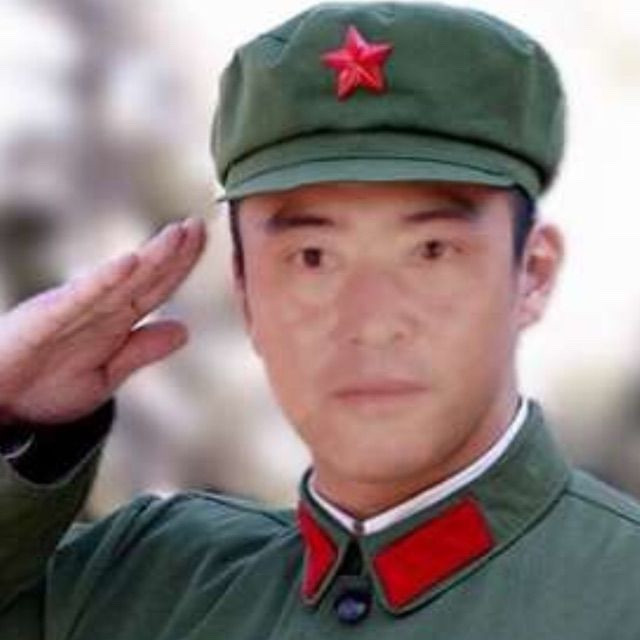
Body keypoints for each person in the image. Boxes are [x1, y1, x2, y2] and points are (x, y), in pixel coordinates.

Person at [2, 2, 640, 638]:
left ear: (533, 273)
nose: (372, 321)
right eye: (313, 257)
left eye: (431, 251)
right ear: (245, 289)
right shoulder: (143, 586)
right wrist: (15, 413)